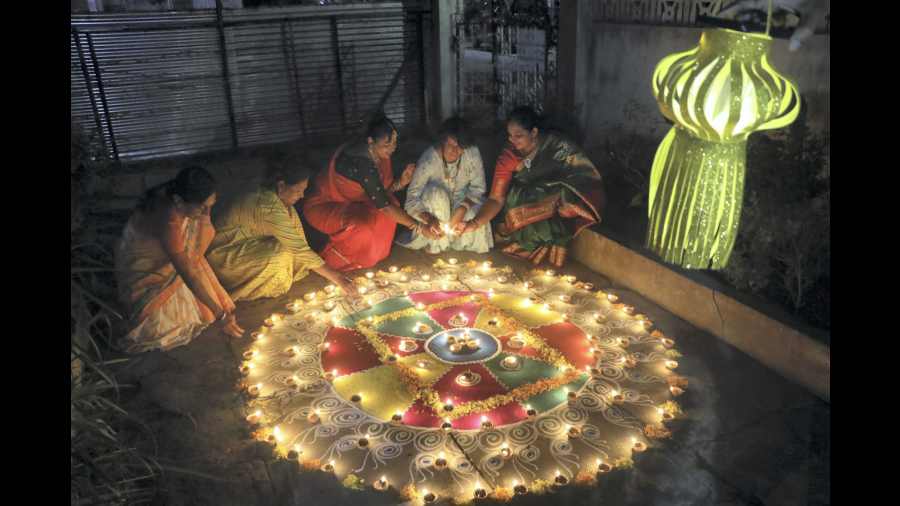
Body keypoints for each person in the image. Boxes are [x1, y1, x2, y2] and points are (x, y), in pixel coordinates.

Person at [115, 166, 244, 353]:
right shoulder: (169, 220)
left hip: (177, 261)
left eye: (211, 205)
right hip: (150, 269)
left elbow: (201, 235)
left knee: (203, 306)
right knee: (163, 328)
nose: (207, 212)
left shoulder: (181, 201)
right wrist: (220, 313)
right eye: (203, 207)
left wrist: (204, 213)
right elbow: (187, 271)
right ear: (179, 201)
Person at [459, 106, 605, 268]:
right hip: (525, 202)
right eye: (510, 136)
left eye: (519, 136)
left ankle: (557, 238)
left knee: (567, 196)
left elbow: (584, 175)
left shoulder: (558, 146)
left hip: (558, 200)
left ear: (534, 133)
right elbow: (496, 198)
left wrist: (561, 195)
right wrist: (473, 224)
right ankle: (529, 242)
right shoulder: (508, 156)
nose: (512, 141)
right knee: (517, 197)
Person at [206, 153, 356, 301]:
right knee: (281, 255)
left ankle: (279, 277)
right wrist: (338, 278)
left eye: (303, 190)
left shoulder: (275, 199)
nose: (302, 196)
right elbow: (298, 248)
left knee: (288, 239)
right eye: (298, 190)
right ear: (281, 185)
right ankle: (256, 289)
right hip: (225, 257)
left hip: (248, 246)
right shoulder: (267, 206)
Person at [302, 114, 435, 270]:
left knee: (392, 205)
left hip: (355, 203)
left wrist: (402, 182)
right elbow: (383, 205)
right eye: (387, 144)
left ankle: (369, 257)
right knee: (362, 227)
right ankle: (334, 262)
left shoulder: (376, 153)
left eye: (394, 142)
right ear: (370, 141)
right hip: (326, 205)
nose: (392, 148)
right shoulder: (360, 163)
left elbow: (380, 193)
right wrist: (419, 227)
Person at [397, 117, 492, 254]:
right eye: (452, 145)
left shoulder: (471, 152)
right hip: (435, 204)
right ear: (442, 141)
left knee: (473, 216)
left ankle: (458, 244)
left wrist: (462, 208)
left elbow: (478, 188)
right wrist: (429, 219)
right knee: (437, 195)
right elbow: (411, 199)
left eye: (461, 147)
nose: (456, 151)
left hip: (463, 199)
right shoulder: (428, 161)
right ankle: (437, 244)